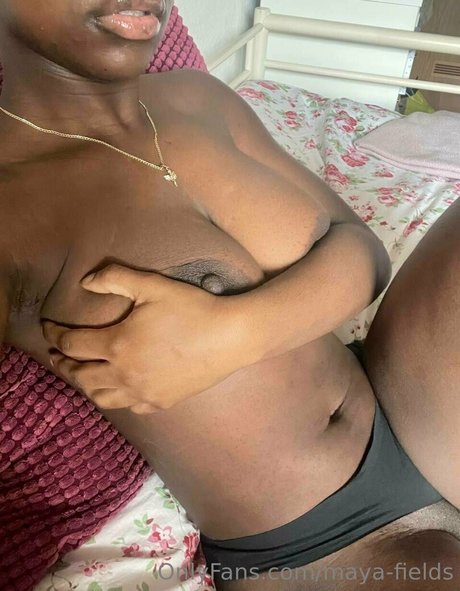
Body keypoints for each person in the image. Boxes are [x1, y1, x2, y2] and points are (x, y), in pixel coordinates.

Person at [0, 0, 458, 588]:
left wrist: (235, 334)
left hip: (401, 400)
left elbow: (365, 252)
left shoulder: (196, 97)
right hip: (310, 545)